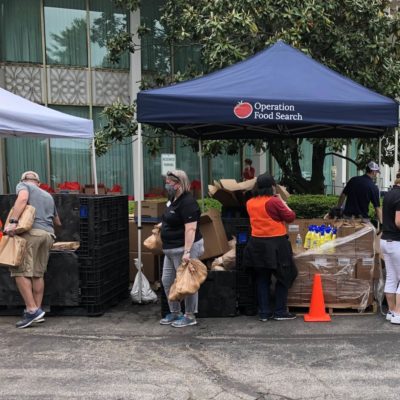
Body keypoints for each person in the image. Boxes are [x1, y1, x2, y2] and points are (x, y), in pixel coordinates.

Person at [4, 171, 61, 329]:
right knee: (37, 273)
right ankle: (37, 311)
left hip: (31, 233)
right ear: (39, 182)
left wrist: (13, 221)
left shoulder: (23, 185)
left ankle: (31, 309)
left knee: (19, 270)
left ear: (22, 180)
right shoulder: (48, 196)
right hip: (48, 235)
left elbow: (22, 199)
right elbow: (58, 221)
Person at [242, 173, 297, 321]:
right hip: (276, 244)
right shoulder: (274, 202)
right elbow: (290, 217)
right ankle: (280, 311)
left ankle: (264, 312)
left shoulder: (250, 202)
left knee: (262, 279)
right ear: (272, 186)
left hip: (256, 244)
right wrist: (282, 201)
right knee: (284, 276)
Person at [159, 170, 204, 328]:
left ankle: (190, 315)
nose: (167, 185)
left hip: (183, 248)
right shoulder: (173, 199)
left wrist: (187, 251)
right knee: (167, 280)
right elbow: (171, 218)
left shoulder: (188, 202)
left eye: (170, 182)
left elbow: (190, 229)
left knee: (188, 282)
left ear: (178, 184)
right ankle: (175, 312)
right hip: (170, 249)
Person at [380, 172, 400, 325]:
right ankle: (398, 313)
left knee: (392, 278)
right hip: (397, 242)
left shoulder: (389, 194)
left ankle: (391, 311)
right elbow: (398, 221)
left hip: (385, 240)